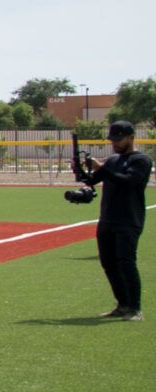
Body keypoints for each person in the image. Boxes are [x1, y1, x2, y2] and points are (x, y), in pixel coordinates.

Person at [71, 119, 147, 320]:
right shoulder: (113, 160)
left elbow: (128, 181)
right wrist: (80, 169)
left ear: (131, 137)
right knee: (109, 263)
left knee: (126, 263)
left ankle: (135, 308)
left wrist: (101, 169)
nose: (114, 143)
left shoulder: (140, 160)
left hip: (128, 219)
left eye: (119, 139)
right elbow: (91, 180)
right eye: (112, 139)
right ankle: (122, 304)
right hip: (107, 219)